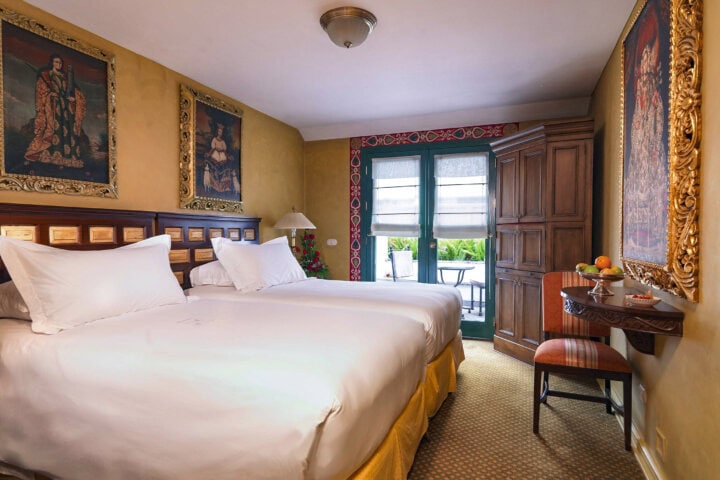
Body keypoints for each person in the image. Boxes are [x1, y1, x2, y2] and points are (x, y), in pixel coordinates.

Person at [24, 54, 86, 168]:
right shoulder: (46, 75)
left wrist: (73, 98)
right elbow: (42, 90)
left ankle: (66, 159)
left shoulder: (65, 77)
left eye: (60, 63)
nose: (59, 64)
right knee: (54, 129)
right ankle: (49, 156)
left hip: (65, 108)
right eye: (56, 62)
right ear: (52, 63)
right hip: (53, 105)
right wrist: (50, 94)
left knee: (67, 131)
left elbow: (73, 92)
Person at [203, 122, 238, 195]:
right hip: (215, 154)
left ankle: (224, 184)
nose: (220, 133)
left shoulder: (223, 142)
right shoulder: (214, 139)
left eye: (221, 132)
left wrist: (228, 156)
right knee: (214, 165)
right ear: (217, 132)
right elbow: (213, 149)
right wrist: (209, 154)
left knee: (224, 166)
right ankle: (214, 182)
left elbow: (224, 151)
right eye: (219, 131)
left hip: (222, 155)